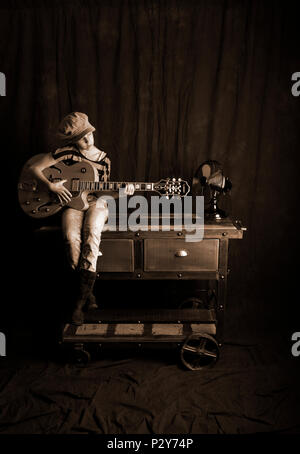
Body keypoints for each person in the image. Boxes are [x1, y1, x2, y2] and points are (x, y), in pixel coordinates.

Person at [29, 112, 134, 324]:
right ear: (72, 140)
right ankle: (87, 294)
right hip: (72, 203)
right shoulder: (66, 153)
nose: (88, 140)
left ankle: (77, 303)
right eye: (81, 137)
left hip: (96, 202)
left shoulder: (104, 160)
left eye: (89, 134)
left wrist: (121, 193)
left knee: (92, 233)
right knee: (70, 237)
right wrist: (51, 186)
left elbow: (104, 192)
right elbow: (33, 168)